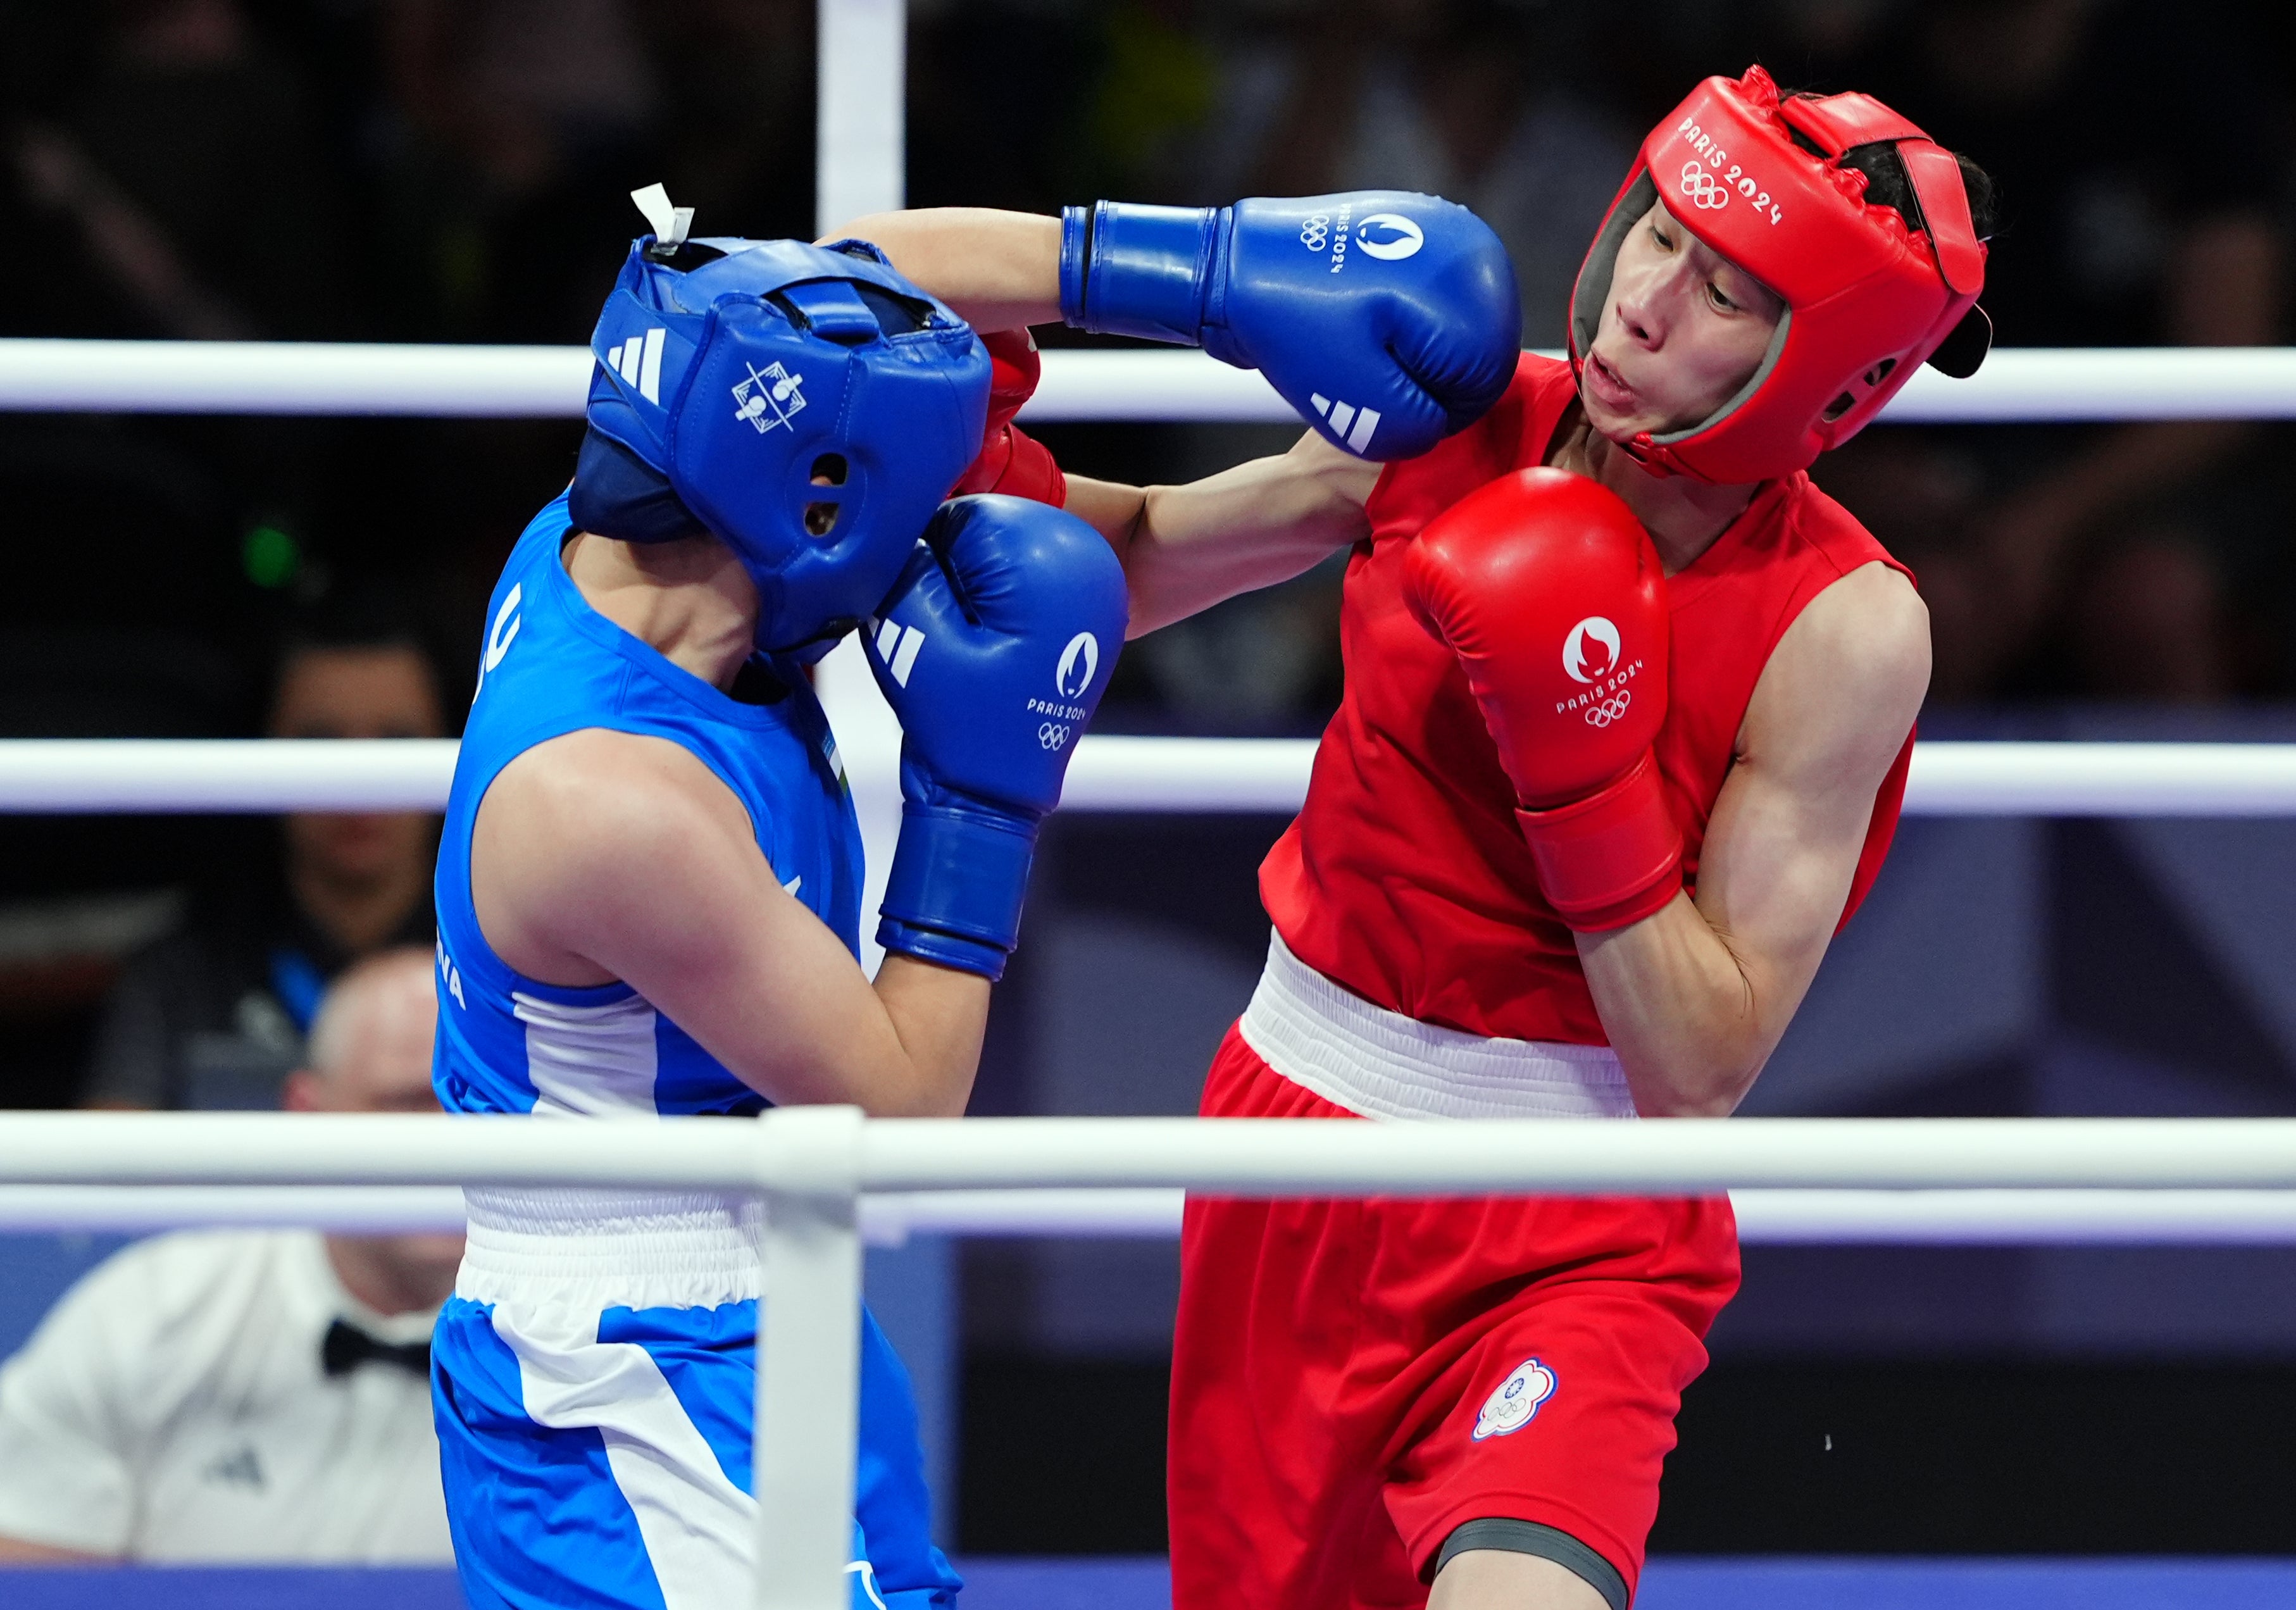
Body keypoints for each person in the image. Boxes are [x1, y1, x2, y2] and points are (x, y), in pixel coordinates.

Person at [842, 61, 1983, 1609]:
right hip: (1293, 1144)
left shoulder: (1845, 628)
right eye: (1655, 235)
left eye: (1724, 290)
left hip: (1577, 1222)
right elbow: (1104, 518)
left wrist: (1579, 775)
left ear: (1829, 372)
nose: (1647, 302)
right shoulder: (1457, 416)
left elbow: (1701, 1063)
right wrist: (1183, 279)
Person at [423, 193, 1128, 1610]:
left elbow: (869, 275)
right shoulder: (609, 803)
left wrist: (1219, 291)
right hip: (630, 1370)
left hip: (753, 1291)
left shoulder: (626, 548)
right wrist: (978, 802)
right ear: (809, 499)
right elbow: (906, 1099)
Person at [0, 947, 460, 1563]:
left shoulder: (597, 1348)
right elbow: (30, 1572)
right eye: (405, 1104)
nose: (449, 1144)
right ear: (308, 1113)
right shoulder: (150, 1311)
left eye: (473, 1105)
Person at [84, 590, 446, 1110]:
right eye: (321, 742)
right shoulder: (178, 978)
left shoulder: (514, 966)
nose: (361, 778)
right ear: (263, 746)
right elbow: (100, 1179)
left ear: (455, 744)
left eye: (398, 742)